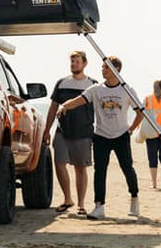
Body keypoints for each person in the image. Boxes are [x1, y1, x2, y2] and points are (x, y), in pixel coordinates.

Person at [57, 56, 145, 219]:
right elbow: (78, 101)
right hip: (101, 136)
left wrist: (131, 129)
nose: (102, 70)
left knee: (127, 168)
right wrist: (64, 106)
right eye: (102, 67)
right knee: (100, 171)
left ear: (116, 69)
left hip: (121, 135)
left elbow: (140, 113)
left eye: (106, 67)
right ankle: (99, 206)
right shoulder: (96, 89)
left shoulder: (127, 90)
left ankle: (134, 198)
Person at [43, 51, 97, 215]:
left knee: (80, 168)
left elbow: (99, 110)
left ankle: (81, 204)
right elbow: (53, 108)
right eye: (72, 61)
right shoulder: (62, 83)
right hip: (62, 131)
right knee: (59, 164)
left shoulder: (92, 84)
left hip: (83, 133)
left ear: (84, 63)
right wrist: (47, 130)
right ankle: (68, 199)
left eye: (77, 61)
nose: (74, 64)